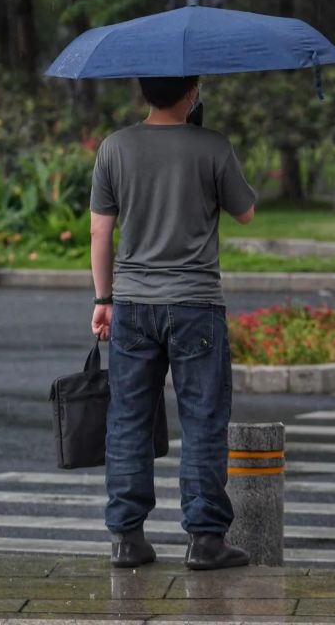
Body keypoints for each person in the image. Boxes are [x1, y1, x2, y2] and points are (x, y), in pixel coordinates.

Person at [89, 75, 256, 570]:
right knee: (203, 420)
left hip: (133, 304)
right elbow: (245, 212)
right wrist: (203, 145)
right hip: (196, 305)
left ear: (144, 92)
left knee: (128, 420)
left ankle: (127, 537)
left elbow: (101, 230)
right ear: (191, 93)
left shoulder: (114, 147)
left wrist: (104, 297)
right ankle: (205, 540)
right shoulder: (213, 146)